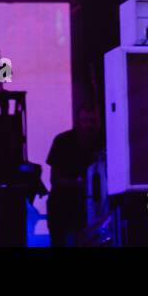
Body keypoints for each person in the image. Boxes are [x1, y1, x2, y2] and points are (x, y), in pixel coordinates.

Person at [45, 102, 101, 246]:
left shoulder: (101, 141)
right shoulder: (63, 141)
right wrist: (80, 183)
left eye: (92, 121)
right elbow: (54, 179)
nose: (89, 125)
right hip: (63, 204)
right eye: (85, 121)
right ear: (78, 121)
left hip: (86, 204)